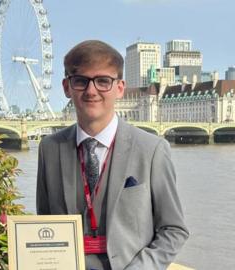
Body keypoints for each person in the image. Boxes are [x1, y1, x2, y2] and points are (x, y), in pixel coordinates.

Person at [36, 40, 188, 270]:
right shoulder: (49, 148)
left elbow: (174, 229)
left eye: (103, 81)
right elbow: (45, 222)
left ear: (119, 88)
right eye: (80, 81)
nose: (91, 91)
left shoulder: (152, 150)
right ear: (66, 87)